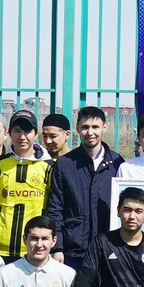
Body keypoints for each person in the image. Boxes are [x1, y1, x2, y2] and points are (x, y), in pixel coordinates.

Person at [48, 105, 120, 265]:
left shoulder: (117, 163)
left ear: (104, 128)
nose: (90, 132)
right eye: (85, 127)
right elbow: (55, 208)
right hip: (73, 250)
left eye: (95, 127)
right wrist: (57, 247)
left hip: (109, 249)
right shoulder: (65, 164)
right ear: (77, 128)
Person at [0, 112, 55, 256]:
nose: (22, 137)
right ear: (9, 134)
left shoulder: (49, 167)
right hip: (1, 247)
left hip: (36, 248)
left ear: (36, 134)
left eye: (27, 131)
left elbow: (55, 207)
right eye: (17, 131)